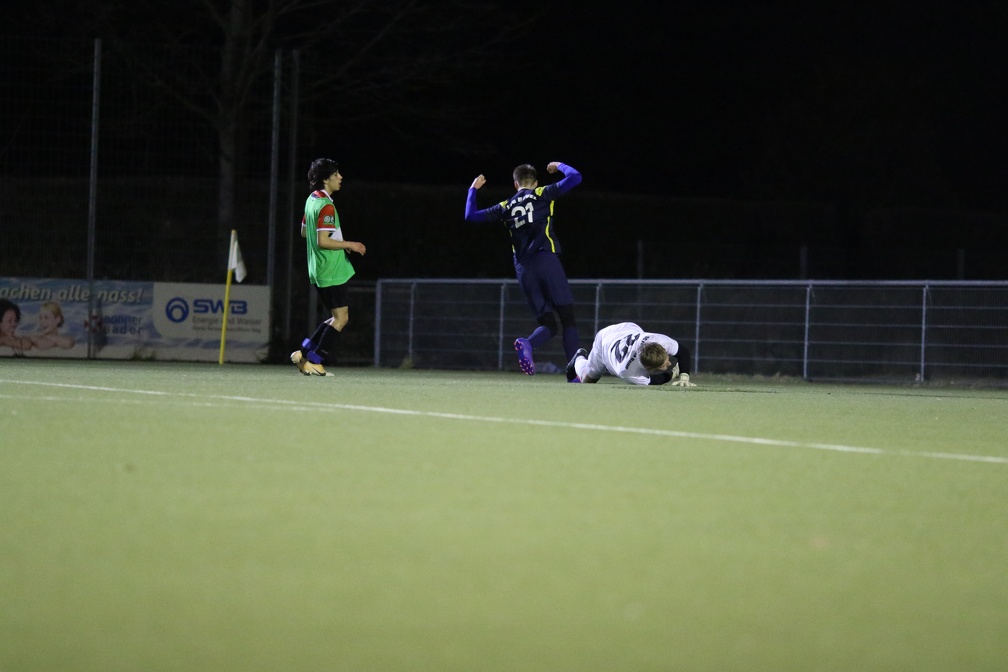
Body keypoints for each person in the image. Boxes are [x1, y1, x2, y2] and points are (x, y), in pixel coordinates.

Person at [465, 162, 583, 376]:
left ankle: (527, 344)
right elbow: (576, 177)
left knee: (548, 323)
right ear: (535, 182)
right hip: (546, 259)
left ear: (515, 184)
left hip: (523, 268)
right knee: (567, 319)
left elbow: (470, 216)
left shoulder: (505, 205)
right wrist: (558, 165)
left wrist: (472, 189)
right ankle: (575, 374)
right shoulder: (542, 193)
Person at [290, 158, 367, 376]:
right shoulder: (327, 205)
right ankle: (315, 359)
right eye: (335, 174)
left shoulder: (311, 200)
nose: (340, 177)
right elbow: (323, 240)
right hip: (331, 269)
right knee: (341, 318)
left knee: (335, 317)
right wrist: (349, 244)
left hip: (317, 267)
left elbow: (305, 233)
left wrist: (337, 241)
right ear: (326, 179)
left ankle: (303, 353)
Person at [566, 321, 697, 386]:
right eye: (664, 365)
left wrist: (684, 376)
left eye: (667, 359)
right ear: (649, 368)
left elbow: (683, 352)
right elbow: (653, 381)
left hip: (627, 328)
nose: (669, 363)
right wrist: (673, 374)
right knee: (587, 380)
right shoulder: (628, 371)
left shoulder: (659, 340)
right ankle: (579, 358)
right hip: (605, 341)